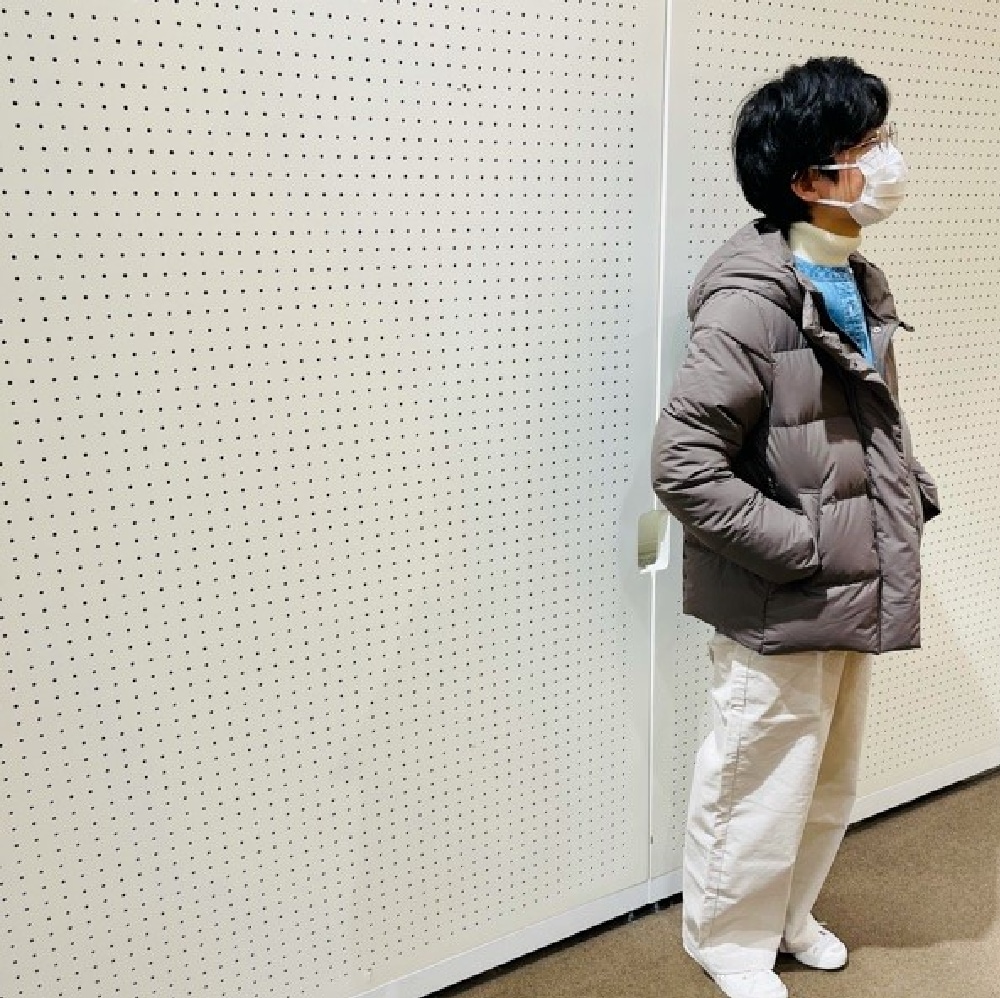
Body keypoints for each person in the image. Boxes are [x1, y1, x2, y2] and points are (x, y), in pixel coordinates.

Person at [650, 57, 939, 998]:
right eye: (867, 146)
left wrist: (909, 495)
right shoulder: (750, 300)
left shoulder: (852, 277)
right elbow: (684, 466)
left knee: (826, 777)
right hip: (786, 590)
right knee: (757, 774)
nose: (887, 161)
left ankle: (786, 915)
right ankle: (728, 940)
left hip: (853, 577)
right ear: (809, 178)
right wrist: (802, 549)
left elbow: (855, 428)